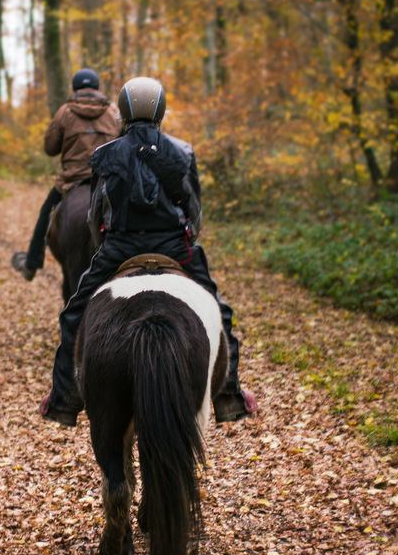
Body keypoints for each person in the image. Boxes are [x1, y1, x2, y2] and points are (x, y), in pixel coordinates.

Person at [41, 76, 256, 426]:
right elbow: (195, 211)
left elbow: (96, 214)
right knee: (221, 312)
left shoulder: (105, 155)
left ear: (123, 110)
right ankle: (230, 396)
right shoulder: (183, 152)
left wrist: (105, 244)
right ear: (161, 110)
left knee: (73, 314)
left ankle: (64, 400)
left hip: (120, 246)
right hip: (175, 247)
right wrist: (186, 237)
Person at [10, 67, 122, 281]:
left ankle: (31, 264)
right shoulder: (114, 112)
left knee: (46, 213)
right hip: (108, 182)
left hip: (73, 181)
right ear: (97, 87)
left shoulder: (64, 112)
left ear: (75, 88)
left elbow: (50, 148)